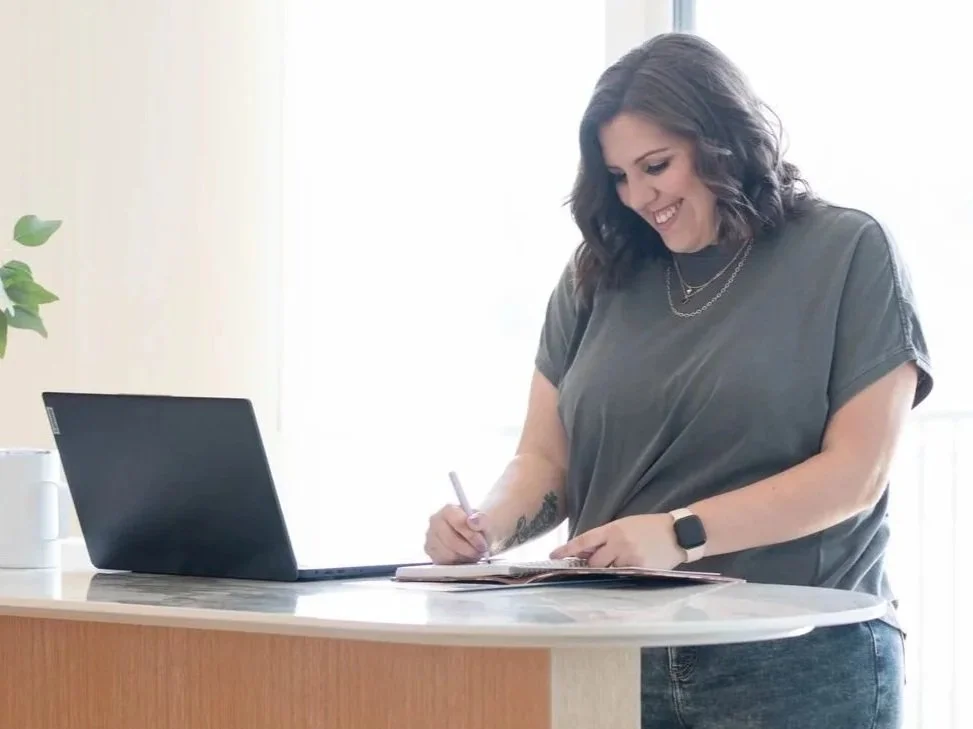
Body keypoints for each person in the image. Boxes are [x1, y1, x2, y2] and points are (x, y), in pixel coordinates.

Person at [423, 32, 931, 728]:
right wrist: (485, 529)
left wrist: (679, 533)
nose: (638, 196)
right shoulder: (595, 275)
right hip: (605, 654)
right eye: (619, 177)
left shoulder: (846, 251)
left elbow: (855, 473)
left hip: (793, 662)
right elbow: (544, 460)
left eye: (655, 165)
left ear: (719, 139)